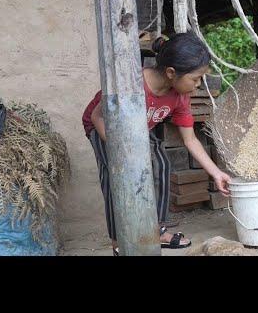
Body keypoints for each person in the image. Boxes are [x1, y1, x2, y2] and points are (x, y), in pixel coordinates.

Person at [82, 31, 231, 255]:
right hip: (105, 128)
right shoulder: (131, 83)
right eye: (195, 78)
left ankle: (156, 228)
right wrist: (121, 152)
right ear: (171, 72)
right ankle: (118, 241)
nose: (199, 84)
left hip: (139, 130)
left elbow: (190, 139)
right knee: (117, 179)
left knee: (161, 164)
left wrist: (216, 173)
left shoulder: (179, 96)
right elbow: (97, 116)